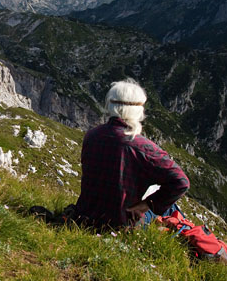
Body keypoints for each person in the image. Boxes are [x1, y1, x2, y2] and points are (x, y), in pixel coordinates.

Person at [72, 79, 189, 229]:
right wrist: (146, 205)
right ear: (138, 110)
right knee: (172, 208)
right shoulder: (142, 146)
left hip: (85, 215)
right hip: (121, 222)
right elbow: (181, 182)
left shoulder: (91, 135)